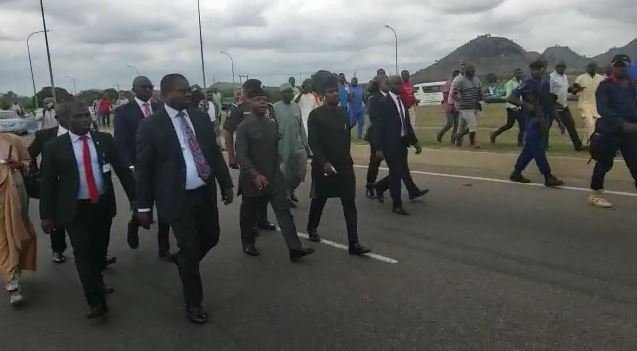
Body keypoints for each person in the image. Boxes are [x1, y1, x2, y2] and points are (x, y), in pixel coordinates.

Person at [135, 74, 234, 325]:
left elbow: (213, 153)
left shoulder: (199, 118)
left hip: (203, 190)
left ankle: (184, 261)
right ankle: (194, 302)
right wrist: (143, 207)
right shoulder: (151, 126)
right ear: (167, 93)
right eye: (182, 91)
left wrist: (226, 184)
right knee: (189, 246)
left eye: (189, 90)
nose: (188, 94)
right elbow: (144, 170)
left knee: (211, 237)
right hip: (176, 197)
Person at [40, 101, 135, 320]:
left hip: (102, 205)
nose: (85, 120)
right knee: (83, 253)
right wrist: (46, 215)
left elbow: (122, 170)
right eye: (78, 116)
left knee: (99, 250)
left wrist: (136, 198)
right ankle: (95, 302)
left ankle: (98, 277)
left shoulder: (104, 140)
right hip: (75, 210)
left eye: (87, 116)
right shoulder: (55, 147)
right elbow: (48, 184)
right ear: (65, 120)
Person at [235, 84, 314, 260]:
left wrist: (281, 163)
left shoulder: (271, 124)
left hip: (274, 177)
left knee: (284, 212)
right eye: (258, 100)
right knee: (249, 215)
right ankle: (248, 243)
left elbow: (273, 149)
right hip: (253, 179)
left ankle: (295, 249)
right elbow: (242, 155)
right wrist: (254, 174)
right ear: (249, 102)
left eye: (264, 100)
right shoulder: (244, 127)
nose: (262, 103)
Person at [306, 71, 370, 255]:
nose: (335, 94)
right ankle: (312, 227)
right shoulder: (315, 116)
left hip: (344, 166)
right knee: (319, 200)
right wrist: (324, 162)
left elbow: (345, 139)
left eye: (336, 91)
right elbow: (313, 143)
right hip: (323, 167)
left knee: (349, 204)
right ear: (323, 95)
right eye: (331, 92)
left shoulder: (344, 114)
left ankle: (354, 243)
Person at [113, 76, 172, 260]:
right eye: (144, 87)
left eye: (150, 87)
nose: (148, 90)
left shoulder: (159, 108)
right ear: (134, 90)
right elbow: (121, 142)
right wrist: (130, 165)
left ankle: (164, 248)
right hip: (138, 166)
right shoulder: (124, 112)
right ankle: (134, 224)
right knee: (142, 204)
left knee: (165, 207)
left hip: (161, 166)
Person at [223, 80, 277, 234]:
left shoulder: (269, 108)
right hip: (248, 158)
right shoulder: (239, 109)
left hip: (267, 158)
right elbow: (228, 131)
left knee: (265, 192)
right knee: (250, 194)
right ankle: (250, 225)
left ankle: (262, 219)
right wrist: (231, 157)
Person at [588, 54, 637, 208]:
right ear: (613, 67)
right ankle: (596, 194)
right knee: (604, 162)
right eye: (618, 65)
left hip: (631, 132)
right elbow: (603, 108)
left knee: (635, 163)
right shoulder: (605, 86)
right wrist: (621, 123)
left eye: (624, 65)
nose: (622, 68)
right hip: (610, 131)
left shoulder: (633, 85)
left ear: (628, 67)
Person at [373, 75, 426, 216]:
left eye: (400, 84)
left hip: (402, 142)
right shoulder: (383, 103)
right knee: (396, 174)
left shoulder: (401, 100)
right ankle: (397, 204)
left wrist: (415, 142)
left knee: (401, 171)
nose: (399, 87)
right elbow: (378, 127)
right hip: (390, 144)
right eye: (396, 84)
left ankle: (379, 187)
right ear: (390, 85)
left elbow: (406, 123)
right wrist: (378, 148)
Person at [508, 60, 565, 187]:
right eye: (533, 69)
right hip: (531, 121)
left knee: (530, 149)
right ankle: (548, 176)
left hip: (543, 120)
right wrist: (525, 104)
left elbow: (550, 105)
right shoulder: (527, 83)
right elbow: (511, 97)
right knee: (538, 148)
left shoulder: (545, 84)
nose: (536, 71)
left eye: (538, 69)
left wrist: (559, 121)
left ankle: (517, 172)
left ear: (543, 69)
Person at [28, 107, 70, 264]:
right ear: (58, 118)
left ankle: (95, 252)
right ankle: (58, 249)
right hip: (55, 184)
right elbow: (29, 154)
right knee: (57, 221)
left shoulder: (86, 133)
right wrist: (36, 171)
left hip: (80, 183)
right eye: (69, 115)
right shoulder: (44, 136)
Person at [0, 133, 36, 306]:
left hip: (16, 194)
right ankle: (12, 282)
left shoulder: (12, 139)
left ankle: (15, 271)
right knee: (2, 240)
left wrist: (19, 165)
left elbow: (28, 163)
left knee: (17, 233)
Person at [274, 83, 309, 207]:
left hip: (298, 146)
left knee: (300, 173)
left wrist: (306, 144)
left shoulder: (296, 107)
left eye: (291, 92)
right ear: (281, 94)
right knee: (285, 174)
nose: (289, 94)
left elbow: (301, 127)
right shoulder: (275, 108)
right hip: (283, 147)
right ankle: (286, 196)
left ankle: (290, 190)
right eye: (286, 92)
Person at [549, 61, 583, 151]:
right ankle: (542, 145)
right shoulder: (551, 77)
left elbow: (567, 89)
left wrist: (574, 90)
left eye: (564, 67)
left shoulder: (564, 76)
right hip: (553, 105)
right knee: (546, 125)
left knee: (571, 124)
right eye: (560, 67)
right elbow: (548, 91)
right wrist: (552, 102)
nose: (562, 69)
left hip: (563, 105)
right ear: (556, 67)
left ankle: (578, 146)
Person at [491, 68, 526, 146]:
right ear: (514, 74)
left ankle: (520, 142)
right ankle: (495, 134)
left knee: (519, 125)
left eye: (520, 73)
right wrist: (512, 106)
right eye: (517, 73)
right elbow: (508, 96)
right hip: (512, 107)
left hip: (520, 106)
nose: (519, 74)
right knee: (511, 125)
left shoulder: (522, 83)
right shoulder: (510, 83)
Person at [573, 62, 605, 145]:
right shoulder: (581, 78)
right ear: (587, 68)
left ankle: (585, 143)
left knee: (591, 125)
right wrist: (577, 89)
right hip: (584, 104)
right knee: (590, 124)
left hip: (595, 105)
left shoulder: (601, 78)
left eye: (593, 67)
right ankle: (594, 144)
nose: (591, 69)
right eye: (590, 67)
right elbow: (574, 90)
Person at [452, 64, 482, 149]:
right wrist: (461, 102)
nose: (471, 74)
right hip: (465, 108)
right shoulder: (460, 81)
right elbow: (453, 95)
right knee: (473, 125)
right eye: (469, 72)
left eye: (472, 72)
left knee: (463, 125)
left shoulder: (477, 80)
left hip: (473, 106)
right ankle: (472, 143)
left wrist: (479, 101)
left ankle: (457, 138)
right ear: (465, 72)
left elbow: (479, 91)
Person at [437, 70, 461, 143]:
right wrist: (450, 100)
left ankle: (453, 139)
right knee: (450, 124)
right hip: (449, 106)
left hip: (456, 106)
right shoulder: (449, 83)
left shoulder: (457, 84)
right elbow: (445, 94)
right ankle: (440, 134)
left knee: (457, 124)